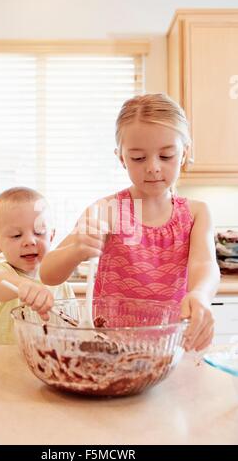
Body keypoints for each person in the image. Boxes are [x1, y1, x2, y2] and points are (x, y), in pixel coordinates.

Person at [40, 93, 220, 352]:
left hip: (173, 346)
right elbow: (48, 273)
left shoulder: (196, 213)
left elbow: (205, 264)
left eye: (166, 155)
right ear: (121, 158)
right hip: (109, 348)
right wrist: (76, 249)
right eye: (138, 158)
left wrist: (200, 294)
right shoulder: (108, 211)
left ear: (184, 154)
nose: (153, 167)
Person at [0, 187, 74, 345]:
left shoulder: (60, 282)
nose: (30, 241)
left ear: (51, 236)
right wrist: (23, 286)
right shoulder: (1, 272)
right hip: (1, 365)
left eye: (39, 232)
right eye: (16, 235)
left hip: (46, 365)